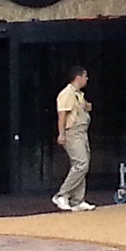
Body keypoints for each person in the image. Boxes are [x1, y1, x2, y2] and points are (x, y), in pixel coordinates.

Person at [52, 66, 94, 212]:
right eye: (85, 76)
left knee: (83, 164)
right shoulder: (67, 94)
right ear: (78, 77)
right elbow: (62, 114)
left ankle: (78, 200)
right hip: (73, 133)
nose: (87, 79)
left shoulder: (78, 94)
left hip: (82, 132)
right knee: (81, 163)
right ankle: (62, 195)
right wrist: (61, 133)